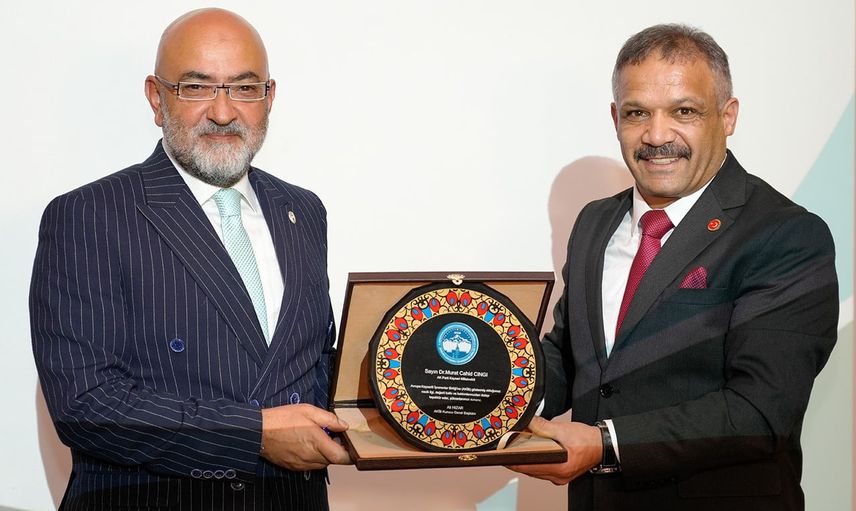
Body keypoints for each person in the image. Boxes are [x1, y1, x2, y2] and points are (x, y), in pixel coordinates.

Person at [29, 8, 350, 510]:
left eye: (244, 88)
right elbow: (85, 404)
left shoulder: (303, 210)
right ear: (157, 98)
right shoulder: (89, 214)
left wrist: (425, 399)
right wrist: (253, 434)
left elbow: (311, 362)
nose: (223, 112)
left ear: (269, 97)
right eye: (196, 87)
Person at [509, 23, 838, 510]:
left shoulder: (785, 234)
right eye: (637, 113)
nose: (657, 135)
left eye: (684, 111)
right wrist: (478, 402)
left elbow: (761, 409)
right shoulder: (595, 222)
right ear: (616, 117)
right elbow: (572, 356)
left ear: (728, 116)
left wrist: (606, 444)